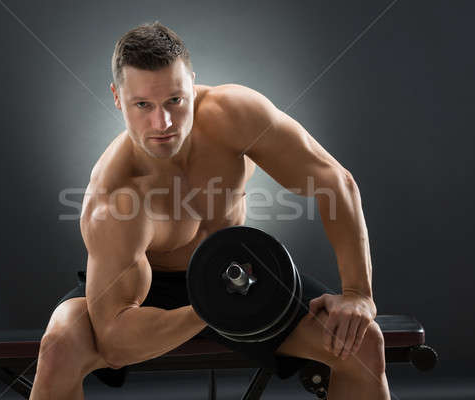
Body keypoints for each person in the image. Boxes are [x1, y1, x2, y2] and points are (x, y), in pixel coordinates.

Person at [29, 21, 390, 400]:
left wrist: (357, 292)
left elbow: (334, 182)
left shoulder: (233, 115)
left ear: (192, 84)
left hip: (235, 274)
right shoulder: (117, 194)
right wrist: (212, 305)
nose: (163, 123)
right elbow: (116, 342)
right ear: (118, 98)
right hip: (141, 290)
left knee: (362, 342)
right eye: (143, 105)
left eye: (175, 100)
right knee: (59, 349)